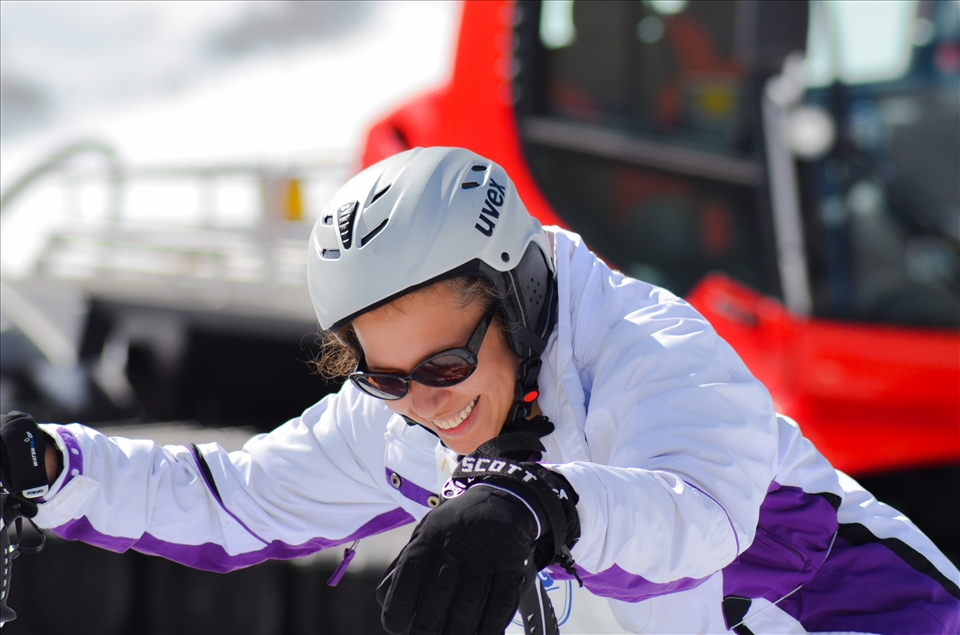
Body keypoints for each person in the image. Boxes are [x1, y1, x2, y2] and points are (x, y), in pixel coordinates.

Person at [1, 147, 958, 634]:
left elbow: (699, 517)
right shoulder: (408, 422)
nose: (425, 403)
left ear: (519, 292)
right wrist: (53, 464)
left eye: (447, 365)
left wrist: (539, 506)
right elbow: (236, 497)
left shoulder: (655, 355)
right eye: (383, 375)